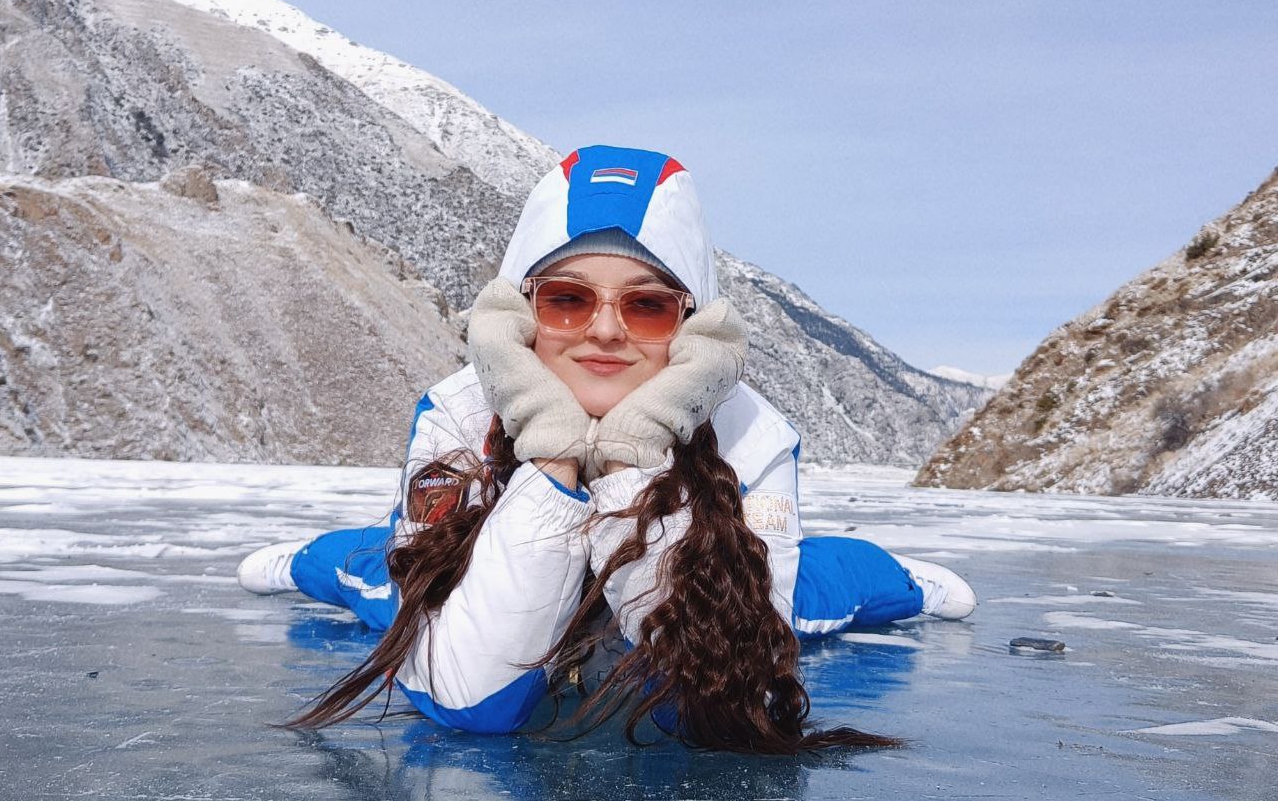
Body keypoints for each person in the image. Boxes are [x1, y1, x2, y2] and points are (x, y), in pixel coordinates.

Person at [237, 144, 975, 753]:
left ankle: (903, 579)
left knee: (818, 593)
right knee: (371, 577)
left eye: (647, 304)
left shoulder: (752, 433)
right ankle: (300, 557)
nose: (605, 330)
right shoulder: (459, 411)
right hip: (491, 560)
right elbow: (468, 697)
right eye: (568, 298)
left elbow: (716, 699)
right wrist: (552, 450)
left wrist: (632, 453)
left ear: (693, 328)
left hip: (703, 564)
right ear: (517, 313)